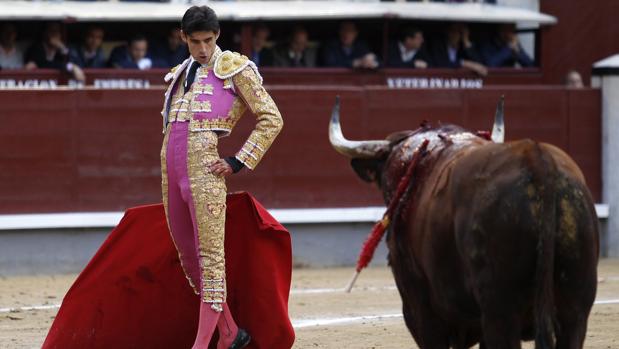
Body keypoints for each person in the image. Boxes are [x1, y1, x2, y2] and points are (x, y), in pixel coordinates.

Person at [160, 5, 283, 349]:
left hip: (205, 174)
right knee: (188, 257)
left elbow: (272, 118)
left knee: (210, 259)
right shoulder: (180, 72)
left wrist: (239, 160)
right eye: (195, 41)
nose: (203, 48)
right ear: (183, 38)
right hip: (171, 174)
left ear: (218, 37)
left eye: (209, 40)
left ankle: (201, 346)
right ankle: (230, 332)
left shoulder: (233, 68)